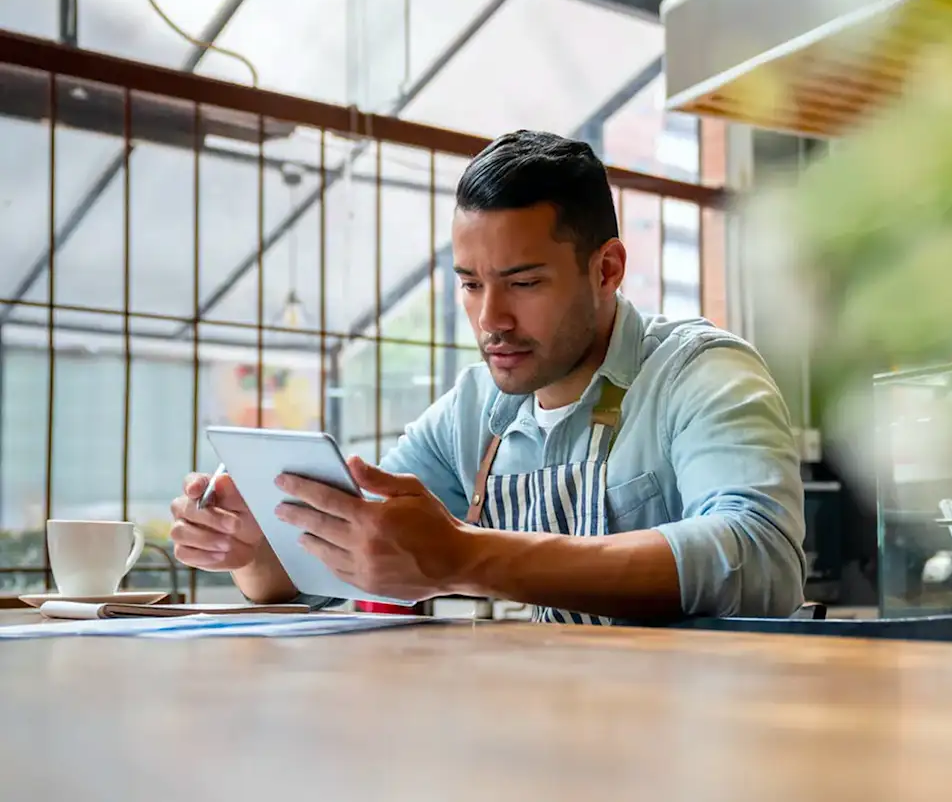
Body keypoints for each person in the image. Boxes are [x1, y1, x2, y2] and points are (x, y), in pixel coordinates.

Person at [169, 130, 806, 624]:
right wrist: (254, 545)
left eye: (524, 283)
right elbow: (348, 560)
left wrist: (469, 555)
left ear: (607, 269)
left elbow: (759, 556)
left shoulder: (700, 373)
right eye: (471, 285)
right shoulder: (473, 412)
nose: (489, 320)